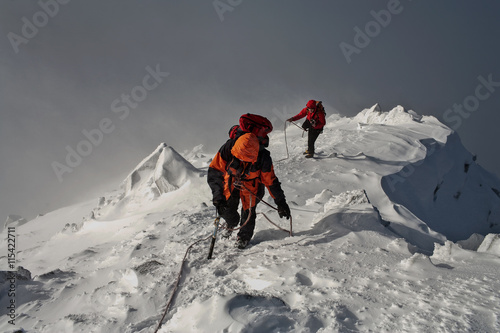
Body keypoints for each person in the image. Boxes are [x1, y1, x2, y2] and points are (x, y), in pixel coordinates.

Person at [207, 131, 291, 249]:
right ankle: (231, 224)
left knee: (248, 212)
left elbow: (271, 182)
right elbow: (214, 172)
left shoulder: (263, 158)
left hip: (252, 187)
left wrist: (281, 202)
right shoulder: (228, 148)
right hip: (231, 183)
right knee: (226, 207)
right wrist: (218, 197)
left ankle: (243, 237)